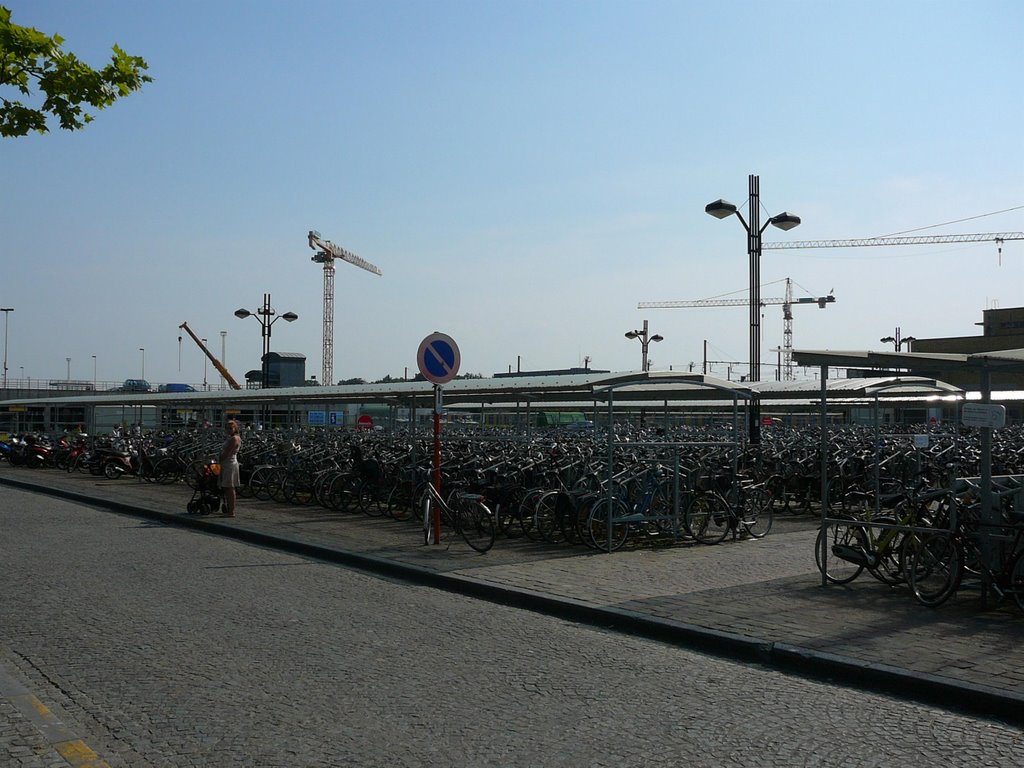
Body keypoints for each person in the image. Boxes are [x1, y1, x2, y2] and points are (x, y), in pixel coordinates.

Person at [219, 419, 242, 517]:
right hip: (228, 463)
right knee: (227, 487)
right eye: (227, 428)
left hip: (229, 464)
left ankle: (231, 511)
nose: (228, 430)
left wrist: (219, 459)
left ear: (235, 428)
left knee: (229, 487)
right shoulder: (232, 437)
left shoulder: (234, 439)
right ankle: (230, 509)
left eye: (230, 428)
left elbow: (227, 452)